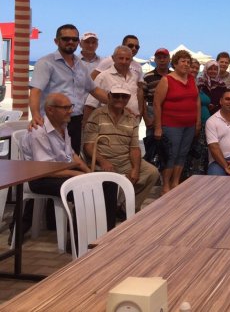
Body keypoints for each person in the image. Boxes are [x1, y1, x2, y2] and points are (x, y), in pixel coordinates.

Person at [21, 93, 116, 232]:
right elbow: (45, 169)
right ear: (50, 110)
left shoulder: (62, 126)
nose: (71, 111)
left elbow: (71, 155)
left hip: (60, 172)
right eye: (65, 108)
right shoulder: (39, 132)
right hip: (39, 178)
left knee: (108, 183)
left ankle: (107, 232)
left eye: (71, 106)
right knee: (83, 188)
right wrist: (77, 175)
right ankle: (80, 239)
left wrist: (88, 172)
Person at [30, 24, 108, 154]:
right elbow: (35, 91)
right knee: (54, 161)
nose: (71, 42)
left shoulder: (80, 65)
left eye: (74, 39)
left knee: (73, 157)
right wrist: (35, 115)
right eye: (66, 39)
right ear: (56, 41)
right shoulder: (45, 63)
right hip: (52, 121)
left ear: (78, 42)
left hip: (75, 121)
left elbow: (94, 90)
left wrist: (116, 103)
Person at [83, 86, 159, 212]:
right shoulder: (97, 115)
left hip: (124, 160)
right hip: (101, 161)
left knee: (152, 173)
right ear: (109, 96)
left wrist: (135, 169)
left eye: (124, 96)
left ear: (128, 99)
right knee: (110, 182)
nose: (120, 99)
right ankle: (113, 207)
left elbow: (134, 148)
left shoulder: (132, 119)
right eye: (116, 96)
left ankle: (128, 208)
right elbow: (88, 146)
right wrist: (103, 161)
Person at [153, 50, 201, 194]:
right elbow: (157, 104)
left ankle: (175, 182)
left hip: (189, 125)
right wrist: (158, 127)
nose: (186, 64)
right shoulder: (167, 80)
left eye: (188, 62)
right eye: (183, 61)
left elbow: (197, 101)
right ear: (175, 63)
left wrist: (197, 121)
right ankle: (165, 186)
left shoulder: (191, 79)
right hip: (171, 125)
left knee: (182, 153)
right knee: (170, 155)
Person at [84, 45, 143, 123]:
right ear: (114, 58)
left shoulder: (134, 76)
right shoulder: (103, 76)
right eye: (121, 58)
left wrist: (139, 114)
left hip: (132, 122)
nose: (124, 61)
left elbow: (137, 97)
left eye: (127, 59)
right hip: (109, 123)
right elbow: (90, 104)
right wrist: (85, 124)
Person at [142, 47, 171, 161]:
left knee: (168, 143)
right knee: (152, 142)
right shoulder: (147, 76)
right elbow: (142, 98)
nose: (162, 60)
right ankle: (151, 166)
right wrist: (146, 118)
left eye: (164, 57)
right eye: (159, 58)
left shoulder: (174, 75)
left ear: (169, 59)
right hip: (152, 110)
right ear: (155, 60)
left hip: (169, 110)